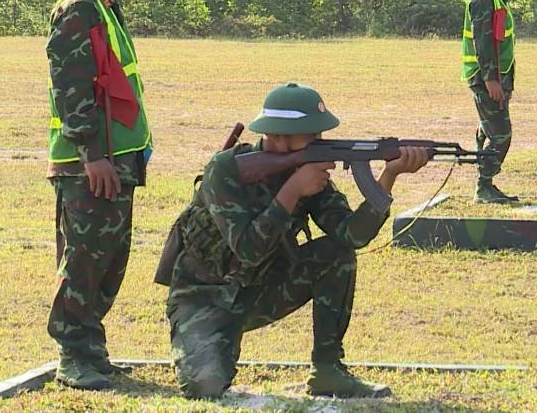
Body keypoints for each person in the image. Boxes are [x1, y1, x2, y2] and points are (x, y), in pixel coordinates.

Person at [162, 83, 430, 399]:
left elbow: (350, 236)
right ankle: (216, 346)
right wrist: (293, 190)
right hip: (203, 297)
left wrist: (388, 178)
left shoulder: (308, 171)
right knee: (204, 386)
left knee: (335, 254)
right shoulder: (226, 170)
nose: (320, 141)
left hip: (261, 291)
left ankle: (328, 371)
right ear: (279, 137)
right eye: (313, 135)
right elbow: (248, 249)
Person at [46, 0, 151, 390]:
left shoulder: (103, 2)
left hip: (116, 154)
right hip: (91, 160)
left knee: (109, 257)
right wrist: (92, 155)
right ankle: (73, 355)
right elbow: (71, 88)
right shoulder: (78, 7)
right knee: (85, 258)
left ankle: (91, 350)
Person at [461, 0, 520, 203]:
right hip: (486, 77)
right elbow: (483, 42)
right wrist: (491, 79)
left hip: (497, 76)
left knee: (489, 129)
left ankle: (485, 185)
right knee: (501, 135)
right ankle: (483, 186)